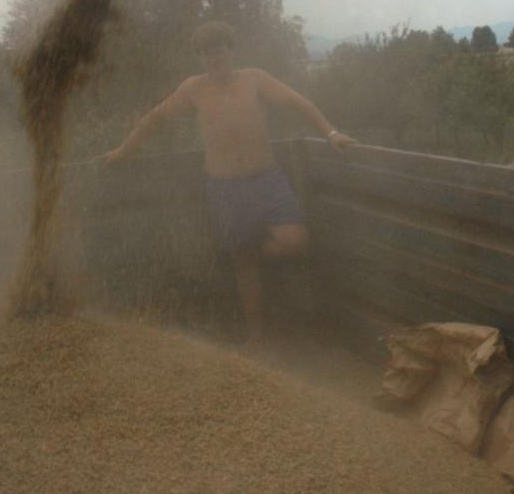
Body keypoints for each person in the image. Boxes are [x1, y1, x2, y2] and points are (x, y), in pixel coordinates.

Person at [102, 21, 355, 344]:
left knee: (295, 240)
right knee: (243, 266)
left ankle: (251, 253)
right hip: (225, 187)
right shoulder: (192, 89)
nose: (213, 57)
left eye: (219, 49)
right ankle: (256, 337)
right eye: (206, 52)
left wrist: (331, 134)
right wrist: (124, 151)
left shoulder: (254, 79)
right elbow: (155, 120)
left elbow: (297, 103)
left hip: (266, 180)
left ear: (230, 50)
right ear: (201, 58)